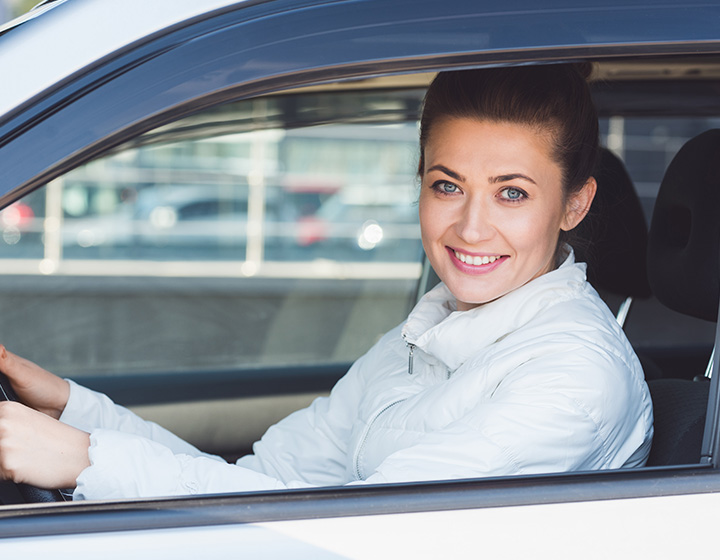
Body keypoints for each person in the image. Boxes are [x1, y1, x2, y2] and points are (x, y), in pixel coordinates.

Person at [0, 63, 653, 500]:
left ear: (574, 204)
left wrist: (86, 460)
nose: (470, 227)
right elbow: (268, 485)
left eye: (511, 193)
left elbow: (350, 534)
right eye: (447, 185)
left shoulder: (574, 379)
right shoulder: (421, 336)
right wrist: (73, 411)